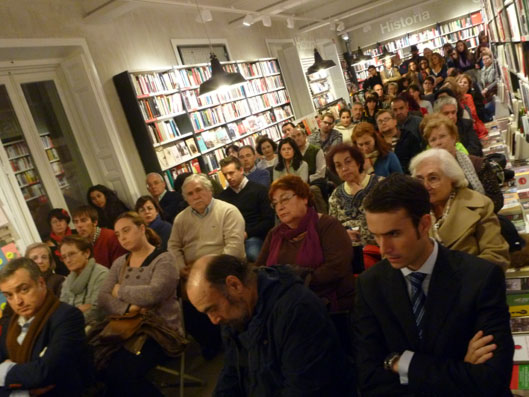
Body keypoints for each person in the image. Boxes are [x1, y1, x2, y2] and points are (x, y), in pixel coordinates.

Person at [354, 173, 514, 395]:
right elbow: (370, 380)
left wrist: (402, 363)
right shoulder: (370, 284)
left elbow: (492, 379)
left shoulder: (480, 278)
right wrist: (461, 369)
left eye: (393, 234)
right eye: (376, 236)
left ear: (424, 225)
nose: (383, 249)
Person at [187, 254, 356, 396]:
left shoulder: (297, 310)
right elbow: (232, 372)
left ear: (234, 285)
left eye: (213, 309)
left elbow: (302, 390)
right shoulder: (235, 312)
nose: (213, 320)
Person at [95, 211, 184, 396]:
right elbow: (103, 296)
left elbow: (153, 294)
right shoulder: (121, 262)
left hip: (160, 329)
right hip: (126, 326)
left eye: (126, 230)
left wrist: (119, 291)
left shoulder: (164, 259)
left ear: (142, 228)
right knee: (98, 364)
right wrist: (129, 307)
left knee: (124, 372)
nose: (122, 238)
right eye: (118, 234)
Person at [167, 173, 245, 358]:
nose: (195, 196)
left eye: (199, 190)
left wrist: (207, 270)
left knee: (216, 295)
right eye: (190, 194)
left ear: (209, 190)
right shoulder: (181, 219)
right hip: (192, 272)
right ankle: (211, 343)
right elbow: (173, 245)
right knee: (183, 306)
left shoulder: (228, 211)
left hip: (225, 268)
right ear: (185, 198)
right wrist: (180, 266)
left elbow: (233, 248)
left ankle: (234, 342)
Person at [256, 175, 354, 311]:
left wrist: (296, 282)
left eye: (285, 199)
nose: (280, 207)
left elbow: (336, 268)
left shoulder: (327, 225)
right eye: (275, 203)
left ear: (304, 198)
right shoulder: (274, 234)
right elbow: (259, 269)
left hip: (325, 302)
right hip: (284, 303)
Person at [0, 258, 95, 396]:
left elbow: (44, 373)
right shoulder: (10, 324)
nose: (18, 301)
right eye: (9, 295)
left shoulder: (67, 317)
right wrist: (24, 393)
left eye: (24, 289)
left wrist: (4, 371)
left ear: (41, 283)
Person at [409, 149, 510, 268]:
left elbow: (497, 256)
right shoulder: (412, 210)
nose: (426, 186)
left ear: (452, 178)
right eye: (420, 179)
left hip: (471, 281)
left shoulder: (479, 204)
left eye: (433, 178)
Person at [421, 113, 502, 212]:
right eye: (433, 140)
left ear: (453, 137)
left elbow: (497, 200)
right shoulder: (429, 175)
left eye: (442, 136)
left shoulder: (478, 164)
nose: (438, 142)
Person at [327, 144, 381, 272]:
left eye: (348, 162)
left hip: (376, 248)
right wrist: (343, 235)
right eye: (338, 165)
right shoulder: (336, 195)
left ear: (358, 162)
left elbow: (384, 220)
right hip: (347, 250)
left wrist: (362, 196)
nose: (344, 168)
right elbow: (332, 228)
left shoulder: (379, 185)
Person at [218, 156, 274, 262]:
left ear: (241, 170)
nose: (228, 177)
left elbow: (269, 221)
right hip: (231, 239)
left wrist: (247, 233)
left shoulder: (259, 190)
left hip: (254, 236)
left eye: (231, 173)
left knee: (252, 255)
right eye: (225, 175)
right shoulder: (222, 197)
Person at [59, 234, 109, 324]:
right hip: (72, 327)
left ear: (86, 253)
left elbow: (97, 311)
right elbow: (61, 311)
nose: (68, 260)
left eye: (71, 254)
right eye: (64, 257)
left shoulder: (101, 274)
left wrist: (69, 317)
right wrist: (80, 309)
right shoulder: (67, 281)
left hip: (96, 328)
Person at [375, 109, 421, 173]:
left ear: (395, 121)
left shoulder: (408, 137)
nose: (383, 123)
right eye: (380, 122)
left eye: (386, 119)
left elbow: (417, 160)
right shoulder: (376, 143)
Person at [457, 73, 488, 138]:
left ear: (468, 87)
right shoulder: (455, 98)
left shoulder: (470, 96)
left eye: (465, 83)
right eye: (460, 82)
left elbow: (473, 114)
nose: (462, 84)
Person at [45, 208, 73, 276]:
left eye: (61, 220)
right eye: (54, 222)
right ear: (50, 225)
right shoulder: (48, 245)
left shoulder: (77, 234)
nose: (58, 224)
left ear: (66, 221)